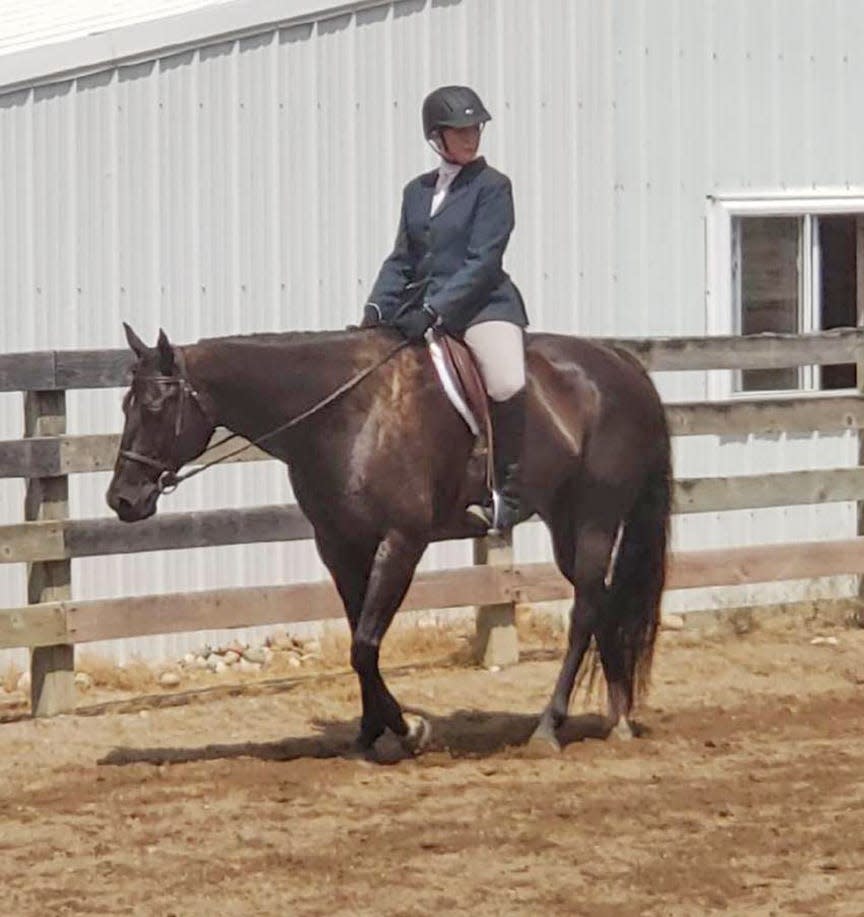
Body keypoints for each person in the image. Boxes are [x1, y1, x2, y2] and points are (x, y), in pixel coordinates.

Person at [360, 85, 528, 533]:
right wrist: (378, 307)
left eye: (475, 128)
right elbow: (402, 258)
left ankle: (507, 490)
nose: (471, 137)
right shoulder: (416, 191)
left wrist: (435, 310)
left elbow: (483, 261)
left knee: (508, 380)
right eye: (460, 131)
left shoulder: (494, 187)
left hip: (482, 306)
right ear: (437, 137)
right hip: (421, 307)